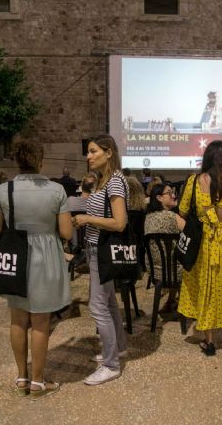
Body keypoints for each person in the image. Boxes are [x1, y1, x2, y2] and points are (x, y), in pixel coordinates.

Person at [0, 141, 72, 400]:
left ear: (18, 162)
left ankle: (21, 376)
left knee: (17, 319)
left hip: (16, 258)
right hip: (46, 258)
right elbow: (67, 233)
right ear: (40, 161)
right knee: (41, 321)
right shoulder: (57, 190)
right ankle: (38, 381)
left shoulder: (4, 190)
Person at [177, 140, 222, 361]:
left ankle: (208, 341)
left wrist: (205, 215)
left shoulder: (194, 181)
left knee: (205, 287)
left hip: (205, 241)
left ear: (207, 158)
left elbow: (181, 212)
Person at [73, 134, 129, 385]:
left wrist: (87, 219)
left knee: (97, 306)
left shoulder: (115, 182)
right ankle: (118, 349)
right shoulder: (104, 181)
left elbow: (119, 223)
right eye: (88, 152)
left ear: (109, 153)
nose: (89, 156)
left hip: (102, 250)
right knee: (109, 304)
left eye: (93, 151)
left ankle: (111, 364)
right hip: (97, 249)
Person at [144, 183, 186, 314]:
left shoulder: (148, 217)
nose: (173, 195)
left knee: (172, 259)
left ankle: (171, 301)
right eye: (169, 193)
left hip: (155, 271)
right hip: (176, 271)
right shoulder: (173, 217)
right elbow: (192, 234)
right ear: (159, 198)